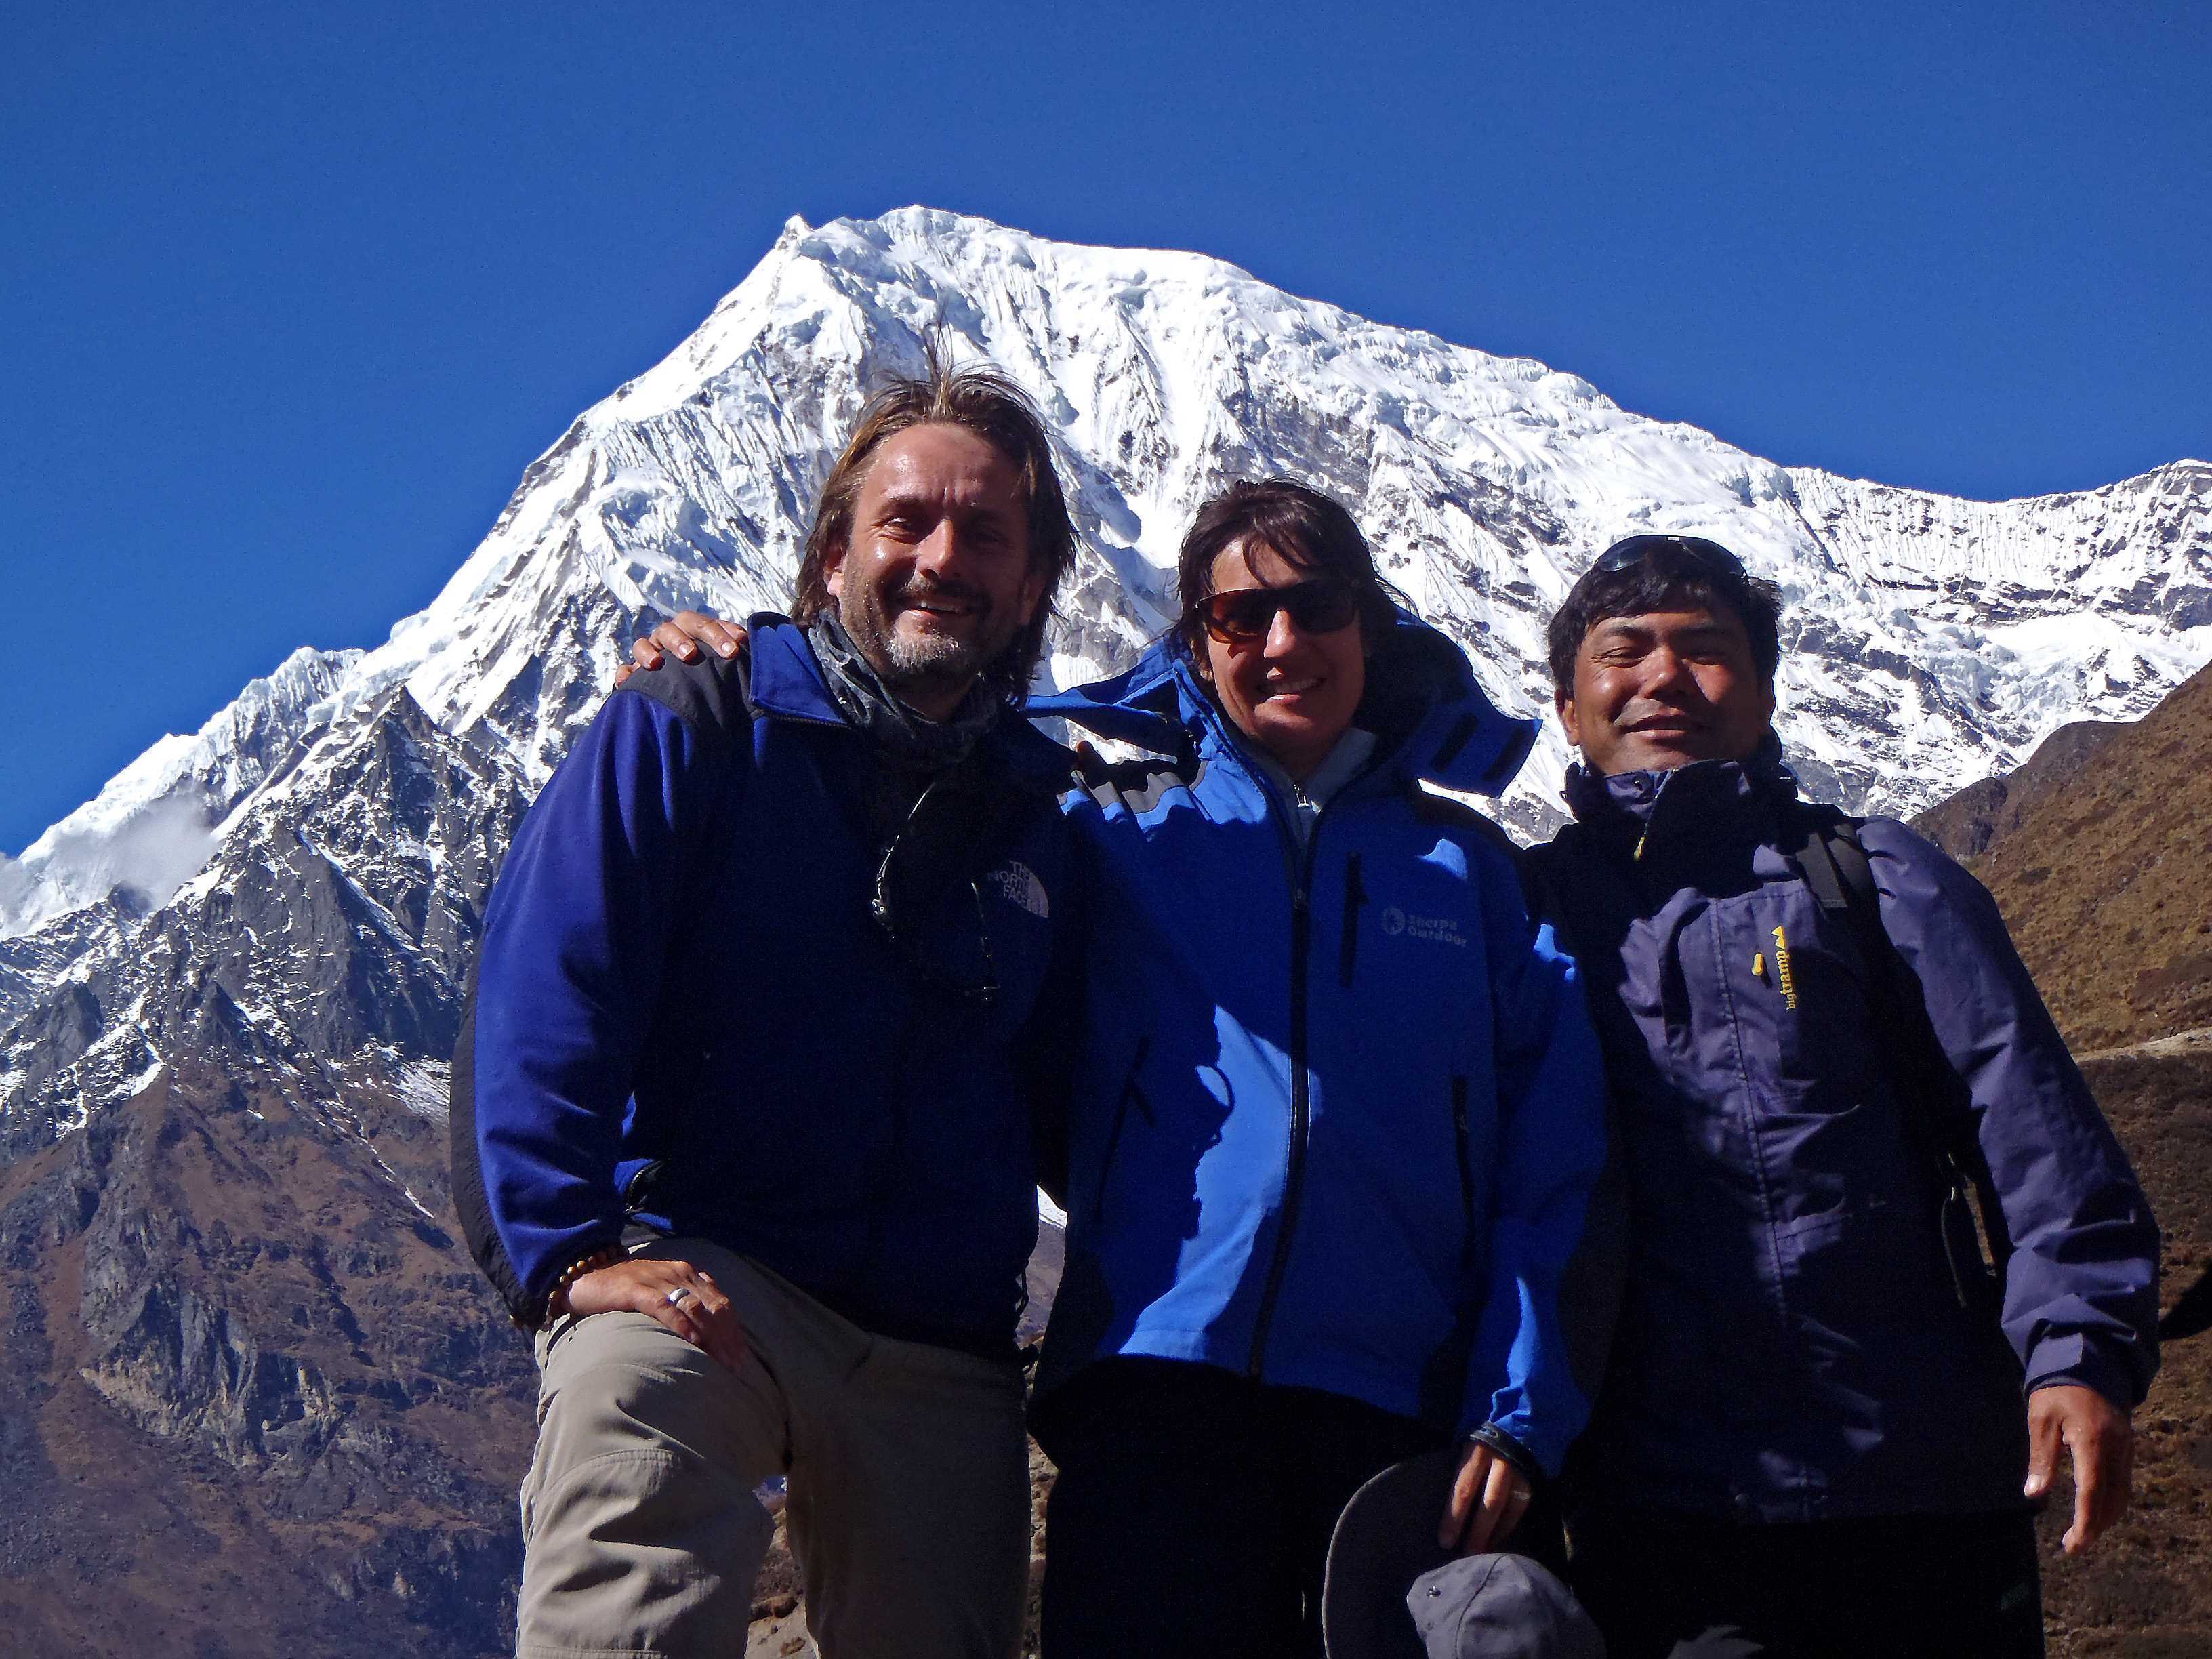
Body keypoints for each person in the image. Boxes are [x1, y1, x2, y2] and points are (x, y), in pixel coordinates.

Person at [628, 481, 1616, 1658]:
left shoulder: (1478, 878)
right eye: (1240, 617)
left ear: (1370, 623)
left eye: (1317, 608)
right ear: (1196, 642)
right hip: (1150, 1391)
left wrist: (1515, 1410)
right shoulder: (1106, 824)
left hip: (1403, 1415)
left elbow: (1555, 1165)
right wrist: (746, 660)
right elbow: (902, 800)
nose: (1283, 643)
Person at [452, 355, 1083, 1659]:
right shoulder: (697, 721)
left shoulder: (1051, 816)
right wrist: (568, 1259)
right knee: (627, 1489)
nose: (941, 558)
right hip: (703, 1267)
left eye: (986, 534)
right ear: (833, 556)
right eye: (906, 522)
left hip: (941, 1333)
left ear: (1032, 588)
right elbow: (549, 986)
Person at [1527, 533, 2163, 1659]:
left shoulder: (1876, 879)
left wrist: (2077, 1350)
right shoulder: (1523, 916)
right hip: (1658, 1510)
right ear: (1569, 711)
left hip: (1922, 1487)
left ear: (1766, 693)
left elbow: (2030, 1127)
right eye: (1623, 652)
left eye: (1705, 649)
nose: (1665, 677)